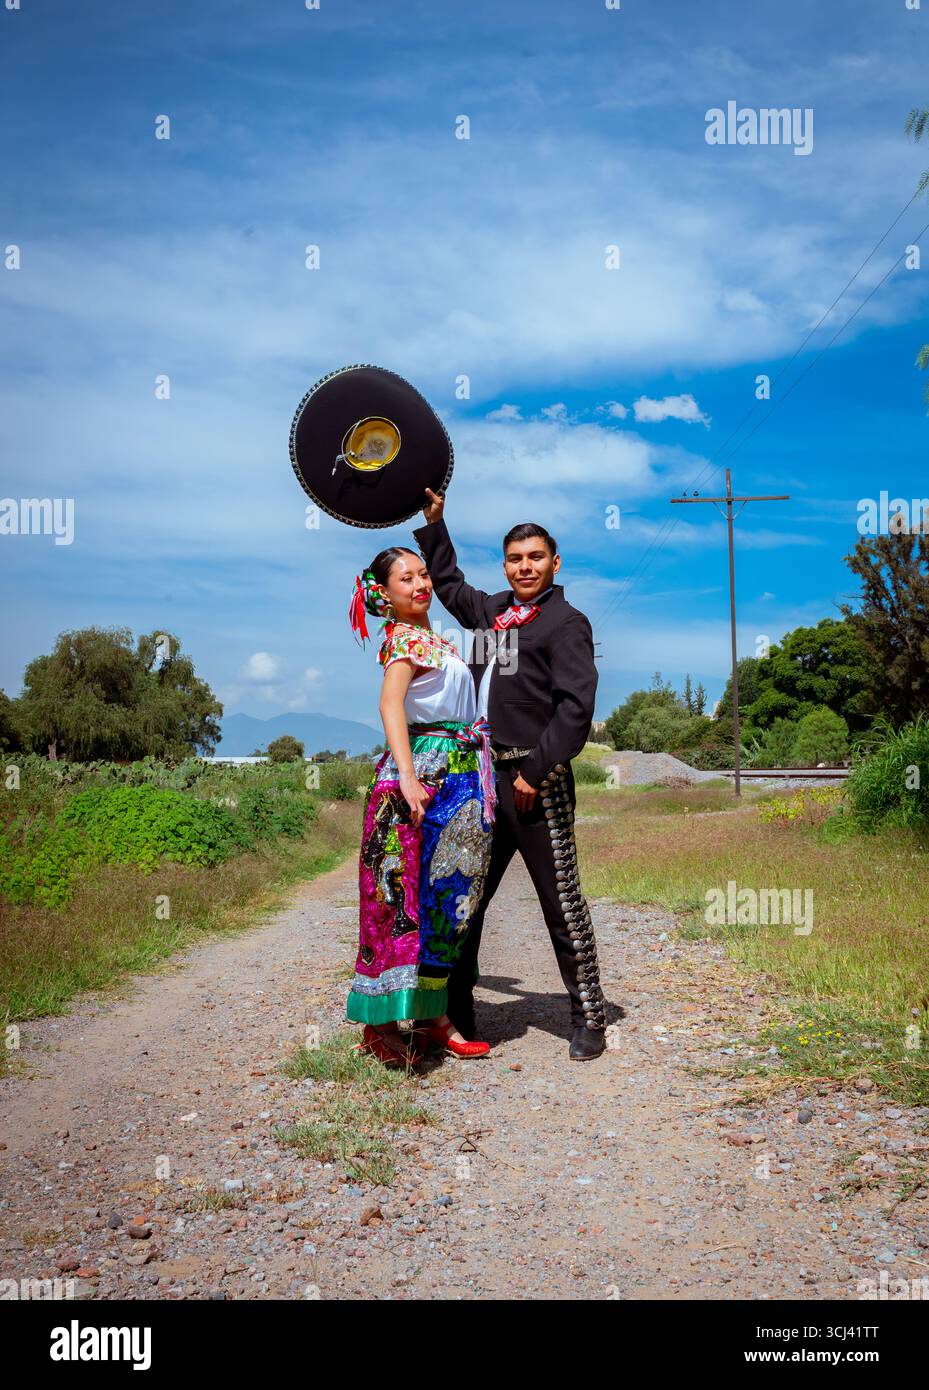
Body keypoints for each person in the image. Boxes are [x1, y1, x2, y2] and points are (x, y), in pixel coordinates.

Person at [412, 489, 607, 1060]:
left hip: (536, 784)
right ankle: (459, 1016)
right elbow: (448, 587)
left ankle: (590, 1018)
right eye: (516, 559)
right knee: (466, 896)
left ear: (555, 562)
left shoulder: (568, 622)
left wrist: (536, 771)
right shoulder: (495, 612)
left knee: (561, 900)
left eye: (536, 558)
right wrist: (437, 524)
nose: (525, 567)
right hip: (482, 781)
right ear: (506, 565)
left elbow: (576, 707)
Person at [345, 546, 497, 1066]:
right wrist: (408, 777)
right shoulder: (405, 639)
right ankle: (381, 1025)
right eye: (405, 578)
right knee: (399, 900)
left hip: (458, 772)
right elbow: (390, 704)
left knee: (448, 898)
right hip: (421, 777)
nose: (420, 584)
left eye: (423, 573)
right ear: (384, 594)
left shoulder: (439, 641)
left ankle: (433, 1016)